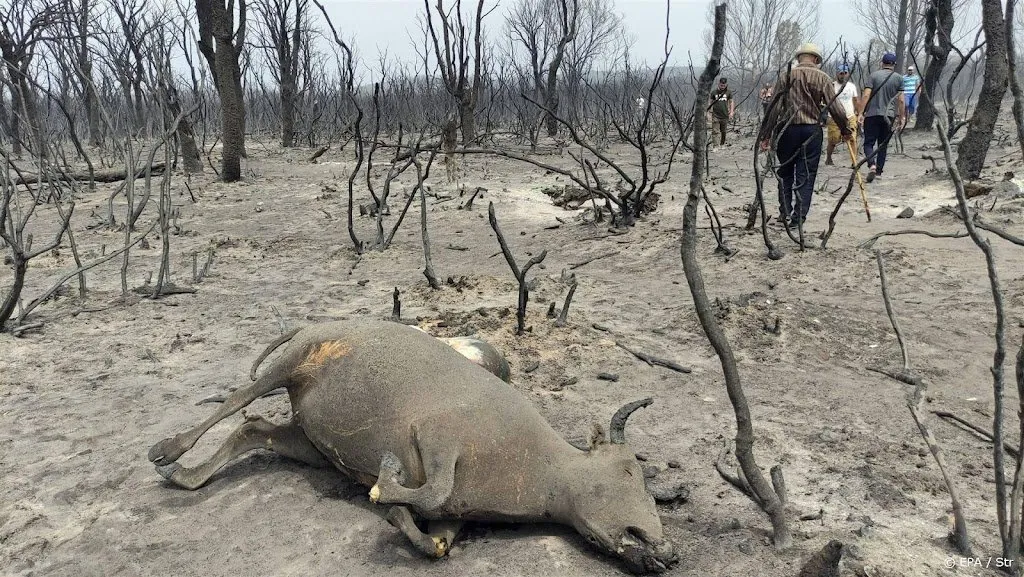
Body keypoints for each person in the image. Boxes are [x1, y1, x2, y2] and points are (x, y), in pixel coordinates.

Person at [759, 43, 851, 227]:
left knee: (785, 173)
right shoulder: (823, 78)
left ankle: (784, 213)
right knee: (806, 175)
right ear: (816, 60)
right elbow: (835, 107)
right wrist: (845, 128)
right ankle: (798, 217)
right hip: (811, 130)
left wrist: (766, 134)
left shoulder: (786, 76)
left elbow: (774, 107)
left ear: (799, 58)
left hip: (787, 129)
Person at [859, 52, 906, 182]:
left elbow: (866, 95)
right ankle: (879, 172)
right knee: (883, 145)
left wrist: (861, 113)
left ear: (882, 63)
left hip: (872, 115)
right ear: (894, 65)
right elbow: (901, 100)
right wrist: (902, 117)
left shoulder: (873, 76)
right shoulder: (898, 78)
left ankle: (872, 165)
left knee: (868, 143)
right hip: (889, 116)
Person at [825, 64, 859, 166]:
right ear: (837, 74)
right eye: (841, 73)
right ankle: (828, 158)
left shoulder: (852, 86)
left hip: (850, 116)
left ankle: (854, 162)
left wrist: (858, 112)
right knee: (833, 140)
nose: (843, 75)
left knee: (852, 139)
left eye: (845, 73)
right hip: (834, 117)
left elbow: (855, 100)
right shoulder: (831, 86)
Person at [708, 77, 734, 147]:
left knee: (723, 131)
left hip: (725, 115)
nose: (722, 87)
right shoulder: (714, 92)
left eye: (724, 85)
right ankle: (715, 146)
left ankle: (722, 144)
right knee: (715, 131)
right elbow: (710, 103)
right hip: (715, 115)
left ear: (726, 85)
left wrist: (731, 112)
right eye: (721, 85)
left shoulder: (728, 92)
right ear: (718, 84)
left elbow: (731, 102)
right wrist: (709, 113)